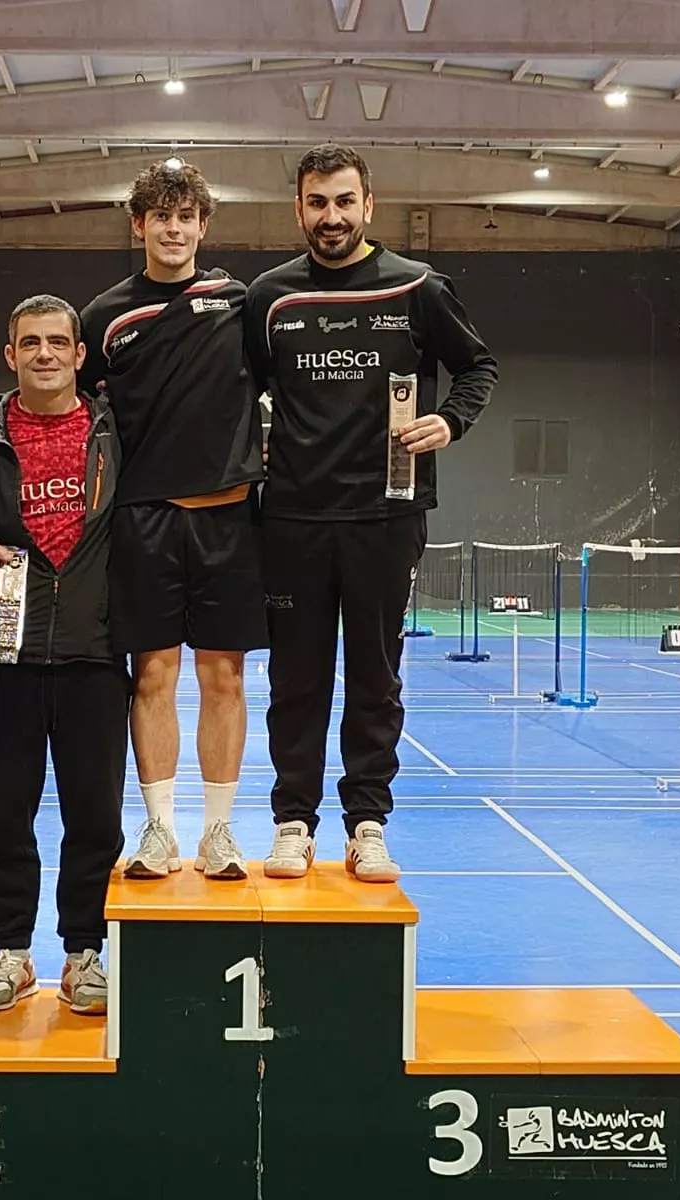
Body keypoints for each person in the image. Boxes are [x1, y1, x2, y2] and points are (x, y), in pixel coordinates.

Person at [0, 159, 266, 883]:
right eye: (161, 215)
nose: (174, 228)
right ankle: (159, 830)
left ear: (203, 225)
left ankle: (217, 831)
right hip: (143, 520)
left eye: (186, 215)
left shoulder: (238, 301)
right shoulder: (106, 314)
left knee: (225, 679)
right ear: (139, 224)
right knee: (152, 675)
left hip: (227, 519)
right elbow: (53, 386)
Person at [245, 143, 499, 883]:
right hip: (291, 518)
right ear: (298, 209)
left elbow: (478, 365)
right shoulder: (270, 298)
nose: (331, 217)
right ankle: (293, 821)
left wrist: (449, 421)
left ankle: (367, 823)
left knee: (375, 676)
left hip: (388, 517)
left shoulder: (418, 286)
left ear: (368, 206)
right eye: (318, 203)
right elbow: (236, 392)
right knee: (297, 680)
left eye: (344, 201)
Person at [0, 294, 127, 1017]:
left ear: (81, 355)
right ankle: (13, 951)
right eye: (31, 343)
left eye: (59, 342)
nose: (46, 354)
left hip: (93, 653)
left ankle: (84, 954)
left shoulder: (115, 431)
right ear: (10, 356)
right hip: (6, 661)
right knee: (4, 814)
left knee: (95, 817)